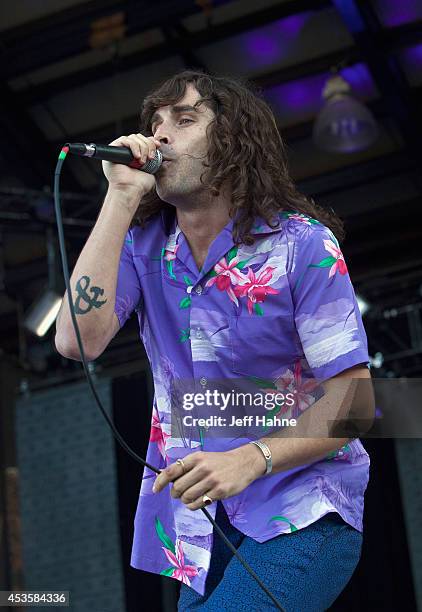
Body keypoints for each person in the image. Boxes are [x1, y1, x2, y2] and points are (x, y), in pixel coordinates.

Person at [55, 70, 374, 611]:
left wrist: (251, 458)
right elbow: (74, 341)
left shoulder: (301, 245)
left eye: (183, 120)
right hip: (199, 531)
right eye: (154, 122)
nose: (159, 136)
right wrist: (120, 197)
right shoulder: (143, 248)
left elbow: (356, 401)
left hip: (302, 512)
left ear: (231, 141)